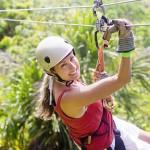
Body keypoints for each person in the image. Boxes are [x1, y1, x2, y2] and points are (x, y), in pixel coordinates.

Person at [35, 19, 150, 150]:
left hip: (107, 124)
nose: (73, 67)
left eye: (72, 58)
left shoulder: (58, 79)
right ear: (52, 72)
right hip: (108, 143)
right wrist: (126, 41)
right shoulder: (69, 98)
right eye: (63, 65)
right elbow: (123, 79)